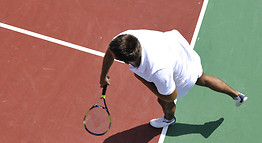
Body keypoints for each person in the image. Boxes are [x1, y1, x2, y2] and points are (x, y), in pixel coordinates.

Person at [99, 29, 248, 128]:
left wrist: (142, 79)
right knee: (202, 79)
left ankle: (169, 119)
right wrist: (103, 76)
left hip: (181, 73)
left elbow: (172, 95)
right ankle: (237, 96)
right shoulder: (126, 39)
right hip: (177, 49)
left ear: (128, 61)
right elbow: (110, 52)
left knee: (163, 100)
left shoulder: (157, 70)